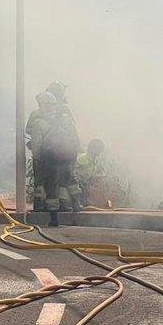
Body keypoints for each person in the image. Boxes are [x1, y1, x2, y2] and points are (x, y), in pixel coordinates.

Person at [39, 95, 81, 225]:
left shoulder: (40, 120)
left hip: (50, 160)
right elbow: (75, 137)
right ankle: (76, 204)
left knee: (52, 188)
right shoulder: (67, 118)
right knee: (70, 181)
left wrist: (38, 158)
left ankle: (54, 219)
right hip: (66, 157)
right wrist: (74, 153)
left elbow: (37, 143)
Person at [26, 92, 57, 212]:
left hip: (41, 155)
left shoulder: (36, 118)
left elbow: (29, 131)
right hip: (56, 156)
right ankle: (54, 211)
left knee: (39, 181)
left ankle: (39, 206)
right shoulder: (60, 117)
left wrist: (36, 156)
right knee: (53, 182)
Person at [74, 138, 108, 207]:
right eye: (97, 148)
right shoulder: (82, 158)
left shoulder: (95, 160)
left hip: (86, 185)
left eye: (100, 149)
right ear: (91, 148)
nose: (98, 152)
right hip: (78, 185)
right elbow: (73, 171)